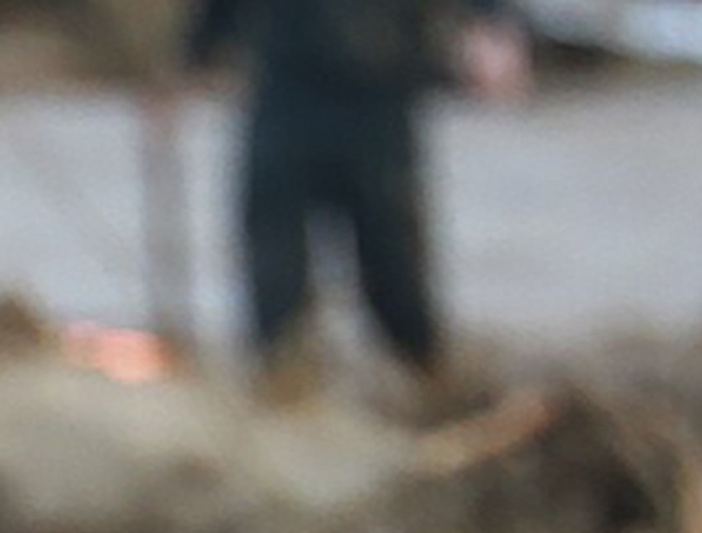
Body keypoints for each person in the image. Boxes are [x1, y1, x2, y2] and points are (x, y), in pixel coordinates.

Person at [182, 0, 528, 384]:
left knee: (393, 261)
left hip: (380, 99)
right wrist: (192, 56)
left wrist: (494, 27)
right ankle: (279, 378)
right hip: (285, 94)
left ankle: (423, 371)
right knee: (275, 264)